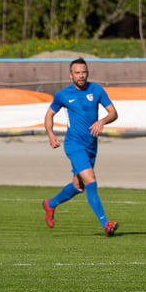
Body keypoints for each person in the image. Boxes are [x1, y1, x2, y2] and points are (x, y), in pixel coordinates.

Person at [43, 58, 120, 236]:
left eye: (83, 72)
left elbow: (113, 113)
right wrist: (51, 134)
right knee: (91, 181)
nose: (81, 75)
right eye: (77, 72)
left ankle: (50, 204)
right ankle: (106, 224)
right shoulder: (63, 95)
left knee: (78, 186)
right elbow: (49, 115)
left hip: (91, 145)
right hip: (74, 144)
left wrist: (102, 121)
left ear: (87, 73)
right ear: (71, 75)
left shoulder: (97, 90)